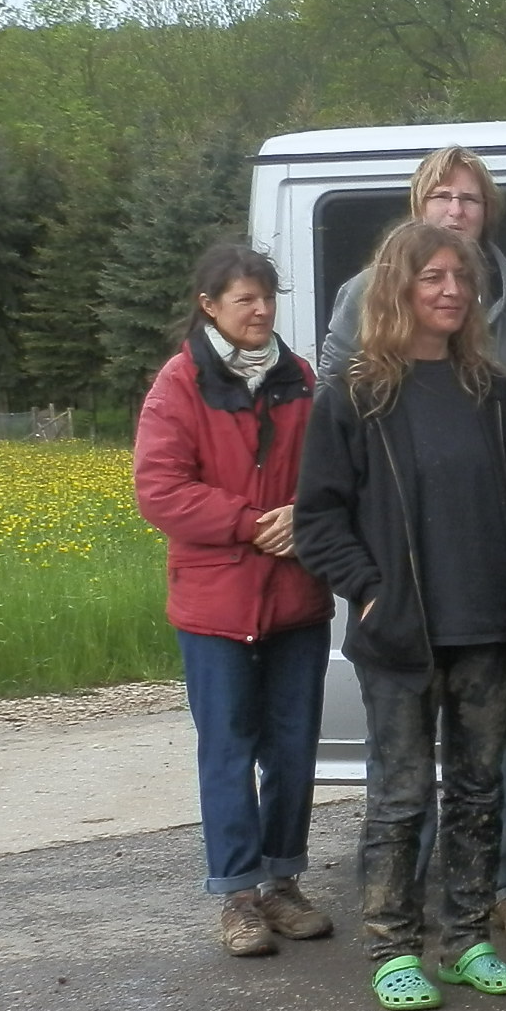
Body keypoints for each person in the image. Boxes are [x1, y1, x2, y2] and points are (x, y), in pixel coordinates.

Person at [296, 223, 506, 1011]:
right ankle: (391, 947)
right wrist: (368, 589)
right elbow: (318, 519)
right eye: (432, 276)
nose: (450, 290)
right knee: (401, 797)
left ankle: (467, 940)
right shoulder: (355, 393)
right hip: (400, 634)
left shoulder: (490, 389)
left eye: (461, 278)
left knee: (479, 792)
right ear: (397, 287)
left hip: (487, 629)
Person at [133, 243, 334, 957]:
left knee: (291, 748)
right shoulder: (179, 384)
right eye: (244, 298)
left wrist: (303, 514)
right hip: (216, 609)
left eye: (267, 296)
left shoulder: (300, 378)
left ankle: (284, 884)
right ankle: (238, 896)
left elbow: (331, 472)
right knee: (227, 750)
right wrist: (251, 523)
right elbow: (159, 489)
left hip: (297, 599)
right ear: (208, 306)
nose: (260, 309)